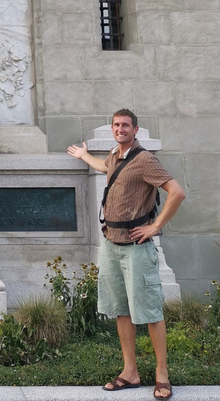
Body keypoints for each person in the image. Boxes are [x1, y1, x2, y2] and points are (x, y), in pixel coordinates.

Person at [67, 109, 185, 401]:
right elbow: (103, 167)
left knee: (150, 311)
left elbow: (177, 192)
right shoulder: (114, 156)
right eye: (117, 125)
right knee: (121, 309)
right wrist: (83, 155)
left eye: (126, 125)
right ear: (112, 129)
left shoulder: (144, 159)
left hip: (136, 247)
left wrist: (155, 227)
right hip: (111, 244)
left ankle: (161, 375)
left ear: (135, 129)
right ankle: (130, 371)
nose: (121, 129)